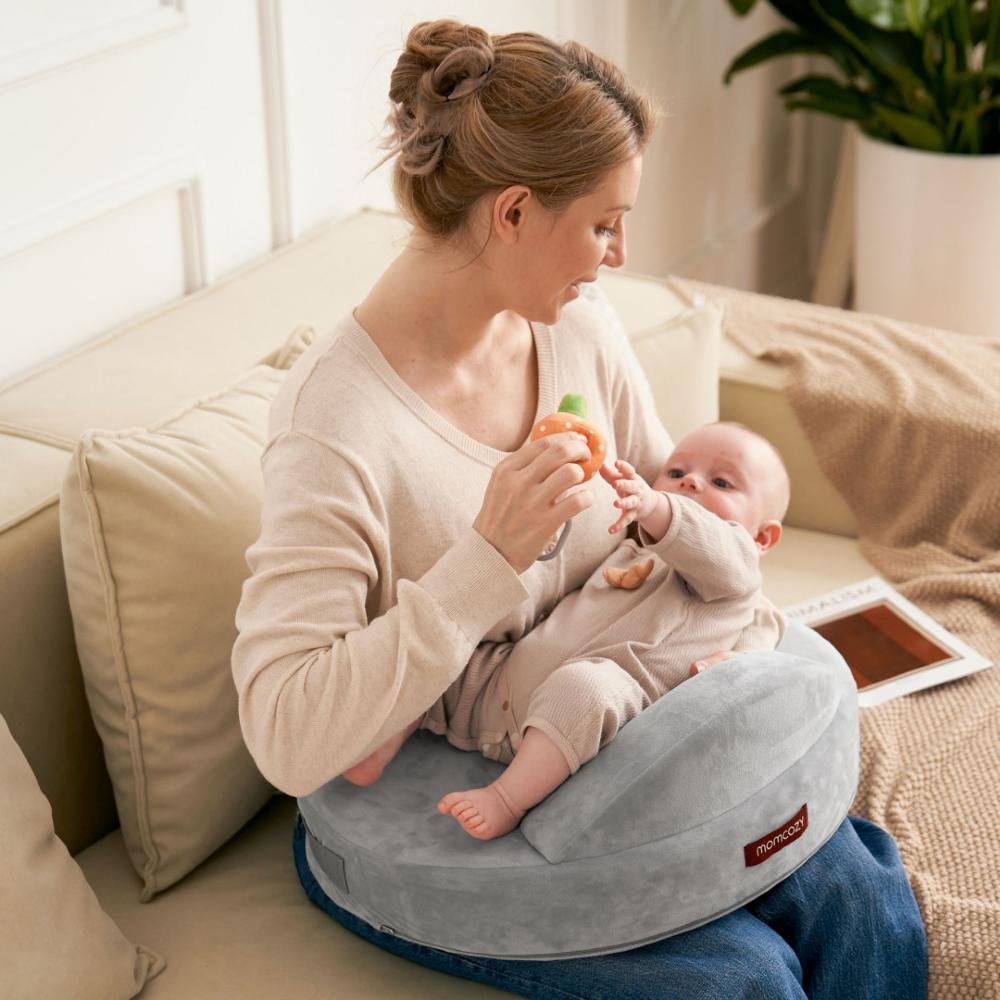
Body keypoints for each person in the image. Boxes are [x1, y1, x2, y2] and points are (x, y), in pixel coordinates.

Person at [232, 18, 928, 999]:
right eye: (603, 224)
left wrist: (732, 632)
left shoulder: (576, 329)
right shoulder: (335, 424)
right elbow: (282, 732)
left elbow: (674, 509)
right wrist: (484, 559)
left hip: (607, 735)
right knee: (741, 980)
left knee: (863, 895)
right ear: (512, 212)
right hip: (433, 809)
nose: (617, 254)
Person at [346, 421, 792, 843]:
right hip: (503, 681)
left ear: (763, 540)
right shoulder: (632, 547)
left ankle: (507, 798)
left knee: (585, 687)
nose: (691, 483)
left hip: (588, 711)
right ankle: (384, 740)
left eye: (722, 483)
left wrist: (659, 506)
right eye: (676, 472)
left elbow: (740, 586)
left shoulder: (736, 578)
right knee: (449, 647)